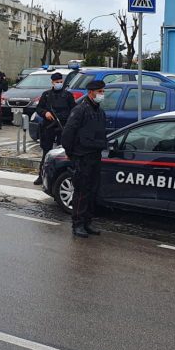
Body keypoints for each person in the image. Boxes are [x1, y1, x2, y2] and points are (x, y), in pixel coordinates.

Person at [60, 80, 108, 238]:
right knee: (81, 191)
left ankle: (87, 222)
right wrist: (71, 154)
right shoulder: (80, 110)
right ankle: (78, 224)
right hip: (82, 157)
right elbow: (68, 133)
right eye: (100, 91)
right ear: (91, 92)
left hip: (95, 156)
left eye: (103, 91)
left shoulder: (99, 111)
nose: (102, 94)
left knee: (93, 190)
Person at [32, 71, 76, 185]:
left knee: (63, 152)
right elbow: (39, 108)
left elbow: (74, 110)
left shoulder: (67, 95)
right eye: (57, 82)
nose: (59, 83)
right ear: (52, 82)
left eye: (61, 82)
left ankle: (63, 176)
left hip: (63, 127)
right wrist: (45, 113)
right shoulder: (46, 95)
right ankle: (41, 176)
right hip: (49, 127)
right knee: (46, 152)